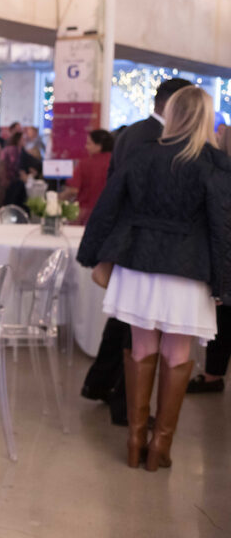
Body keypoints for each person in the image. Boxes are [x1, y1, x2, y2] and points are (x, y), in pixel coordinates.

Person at [77, 86, 231, 472]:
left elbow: (109, 204)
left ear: (173, 113)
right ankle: (160, 448)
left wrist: (91, 252)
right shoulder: (213, 163)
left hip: (138, 264)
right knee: (178, 355)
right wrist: (223, 283)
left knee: (140, 348)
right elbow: (222, 227)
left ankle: (134, 441)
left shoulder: (144, 153)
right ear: (206, 119)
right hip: (188, 268)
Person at [80, 78, 193, 425]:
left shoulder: (134, 132)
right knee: (136, 328)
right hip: (139, 244)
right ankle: (123, 404)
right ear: (173, 105)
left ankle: (101, 385)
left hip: (129, 240)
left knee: (125, 322)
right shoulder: (152, 138)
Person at [187, 125, 231, 394]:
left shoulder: (218, 173)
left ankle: (213, 375)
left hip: (225, 254)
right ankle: (212, 374)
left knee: (225, 316)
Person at [60, 129, 113, 225]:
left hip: (85, 213)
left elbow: (73, 190)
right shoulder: (116, 163)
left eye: (89, 144)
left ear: (99, 146)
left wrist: (58, 199)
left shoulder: (85, 164)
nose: (86, 147)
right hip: (110, 212)